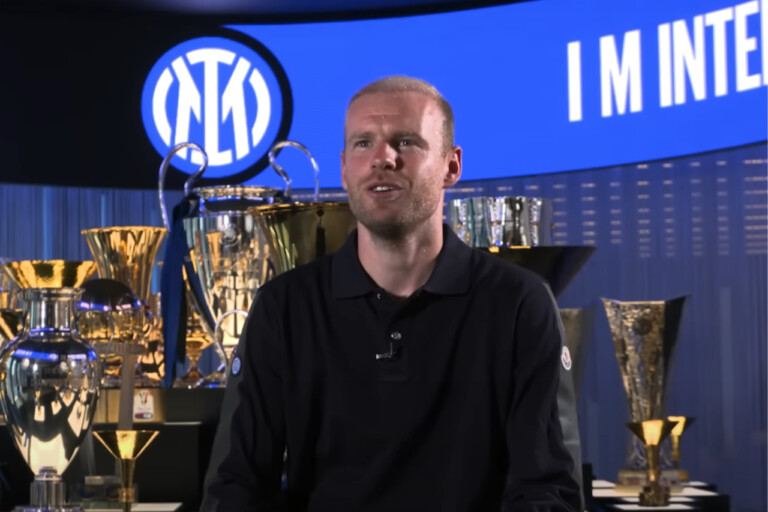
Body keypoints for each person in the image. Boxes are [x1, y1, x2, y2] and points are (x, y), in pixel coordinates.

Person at [201, 76, 583, 511]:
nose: (382, 158)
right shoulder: (284, 309)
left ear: (451, 166)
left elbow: (548, 492)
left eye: (405, 142)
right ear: (344, 168)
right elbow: (235, 488)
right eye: (363, 143)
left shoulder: (519, 305)